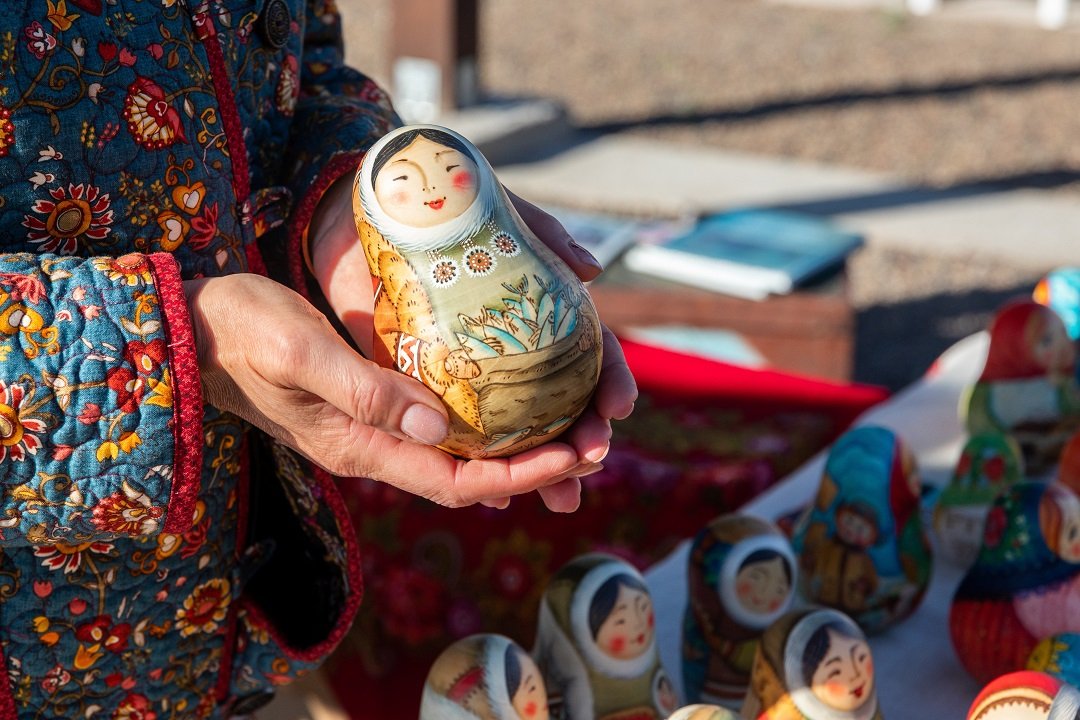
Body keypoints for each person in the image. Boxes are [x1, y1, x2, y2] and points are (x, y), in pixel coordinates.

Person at [0, 2, 636, 718]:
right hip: (43, 639)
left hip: (228, 599)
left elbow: (303, 57)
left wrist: (348, 199)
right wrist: (177, 347)